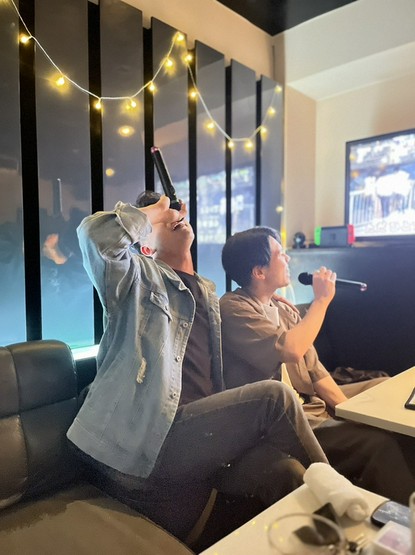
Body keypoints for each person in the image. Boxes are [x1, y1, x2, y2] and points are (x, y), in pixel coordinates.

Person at [66, 192, 328, 542]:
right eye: (164, 222)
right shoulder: (136, 280)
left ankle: (333, 540)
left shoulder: (206, 293)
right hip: (155, 433)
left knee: (286, 472)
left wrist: (268, 299)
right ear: (146, 244)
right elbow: (94, 237)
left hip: (198, 432)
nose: (176, 217)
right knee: (274, 398)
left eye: (177, 214)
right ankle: (343, 502)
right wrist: (156, 211)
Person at [220, 226, 415, 504]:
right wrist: (321, 301)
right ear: (259, 272)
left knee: (387, 390)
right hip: (289, 420)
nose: (288, 258)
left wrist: (352, 412)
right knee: (378, 442)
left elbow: (316, 372)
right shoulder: (233, 308)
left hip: (313, 403)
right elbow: (291, 349)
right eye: (280, 254)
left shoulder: (282, 308)